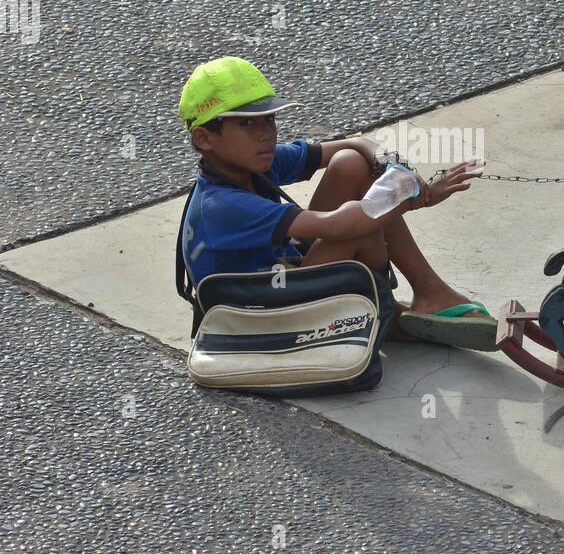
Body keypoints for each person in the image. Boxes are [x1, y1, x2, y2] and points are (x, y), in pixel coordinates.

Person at [177, 56, 494, 344]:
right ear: (204, 138)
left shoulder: (248, 161)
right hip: (260, 315)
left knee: (351, 165)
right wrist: (418, 197)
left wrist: (385, 161)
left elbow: (354, 145)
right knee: (360, 224)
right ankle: (390, 315)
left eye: (269, 119)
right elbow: (341, 225)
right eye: (247, 123)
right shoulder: (222, 206)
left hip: (278, 279)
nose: (266, 134)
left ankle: (429, 292)